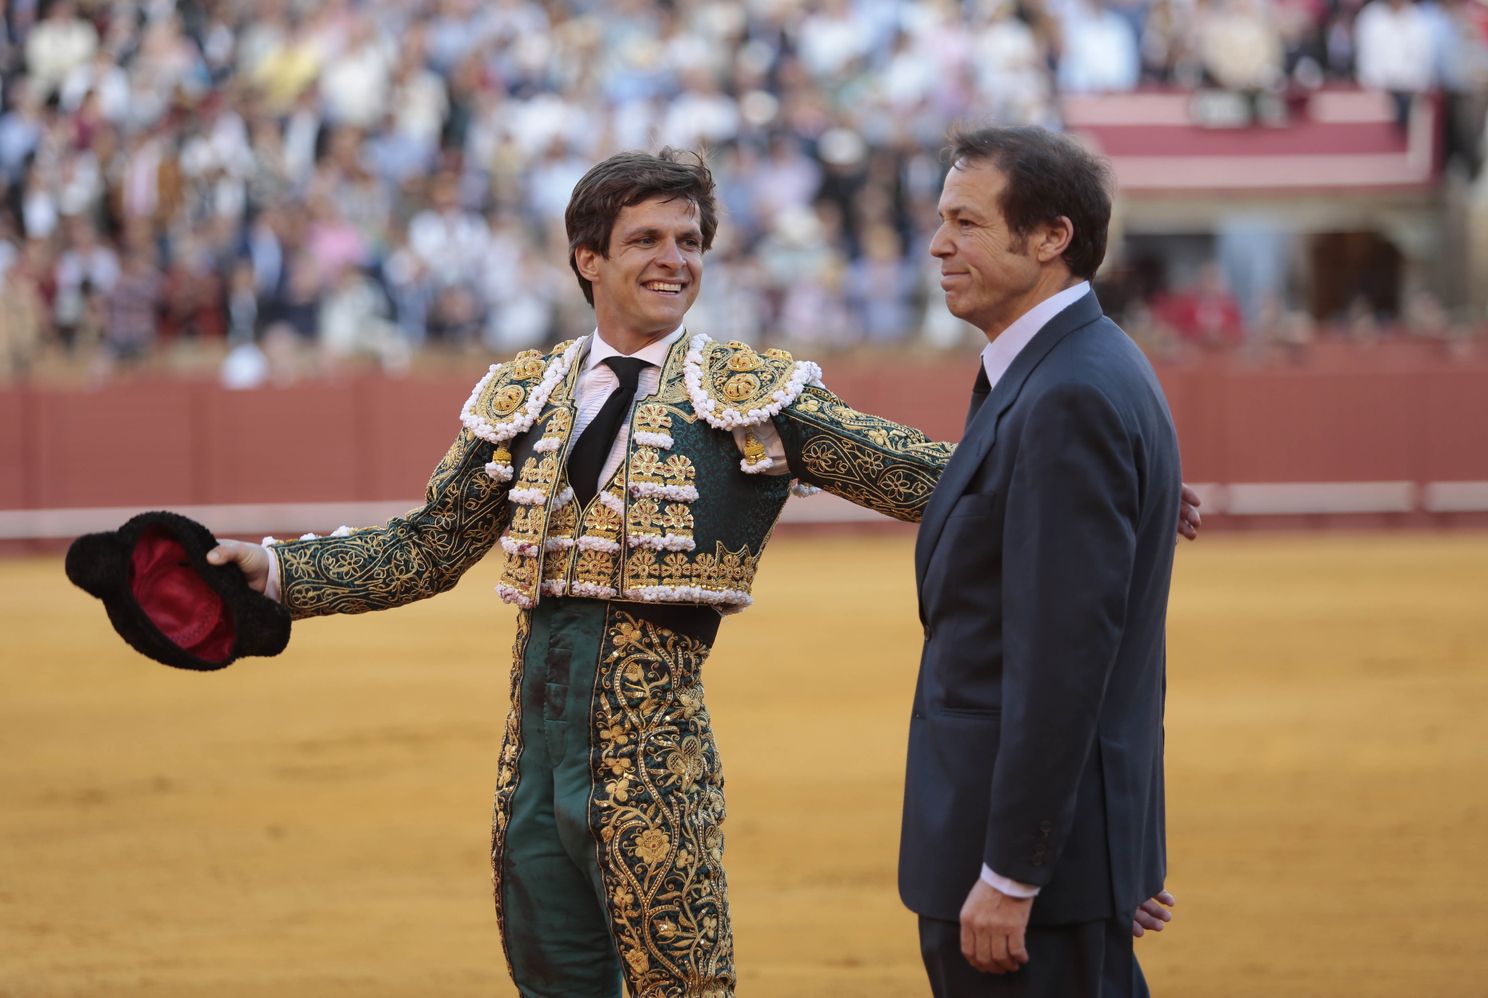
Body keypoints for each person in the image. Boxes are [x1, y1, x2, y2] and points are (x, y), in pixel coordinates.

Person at [206, 148, 1197, 996]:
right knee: (550, 975)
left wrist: (1111, 481)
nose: (673, 260)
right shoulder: (527, 391)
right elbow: (426, 545)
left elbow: (929, 474)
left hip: (656, 761)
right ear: (587, 257)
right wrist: (282, 571)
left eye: (689, 242)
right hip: (530, 762)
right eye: (646, 240)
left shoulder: (746, 394)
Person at [905, 126, 1183, 996]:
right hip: (1064, 860)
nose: (940, 244)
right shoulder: (1081, 368)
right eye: (941, 220)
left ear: (1051, 238)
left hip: (1024, 875)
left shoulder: (1067, 395)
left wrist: (1016, 873)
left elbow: (1064, 665)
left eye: (968, 223)